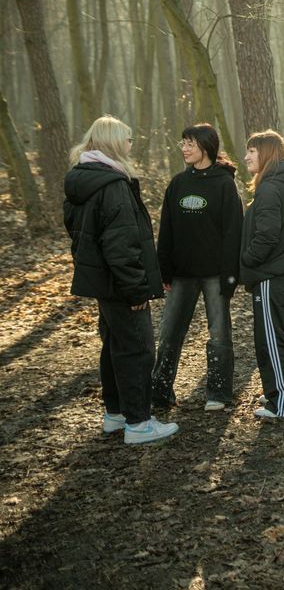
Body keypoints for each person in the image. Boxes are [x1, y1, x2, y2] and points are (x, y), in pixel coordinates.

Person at [63, 116, 178, 444]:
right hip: (119, 283)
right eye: (127, 139)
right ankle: (139, 423)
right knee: (138, 349)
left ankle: (115, 415)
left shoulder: (83, 179)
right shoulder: (112, 186)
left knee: (114, 346)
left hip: (103, 281)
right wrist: (136, 288)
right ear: (113, 143)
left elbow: (79, 231)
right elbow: (121, 244)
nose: (131, 144)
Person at [150, 124, 243, 412]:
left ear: (206, 146)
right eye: (183, 143)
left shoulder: (225, 184)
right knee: (169, 334)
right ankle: (160, 392)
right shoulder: (177, 183)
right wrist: (163, 270)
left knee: (219, 333)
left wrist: (230, 276)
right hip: (181, 274)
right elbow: (167, 230)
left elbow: (233, 233)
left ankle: (218, 393)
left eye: (190, 143)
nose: (184, 148)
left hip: (216, 274)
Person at [241, 130, 284, 421]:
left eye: (252, 152)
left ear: (267, 153)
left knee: (272, 336)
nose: (246, 157)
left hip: (272, 272)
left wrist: (245, 260)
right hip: (282, 270)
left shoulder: (270, 189)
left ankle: (281, 400)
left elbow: (267, 237)